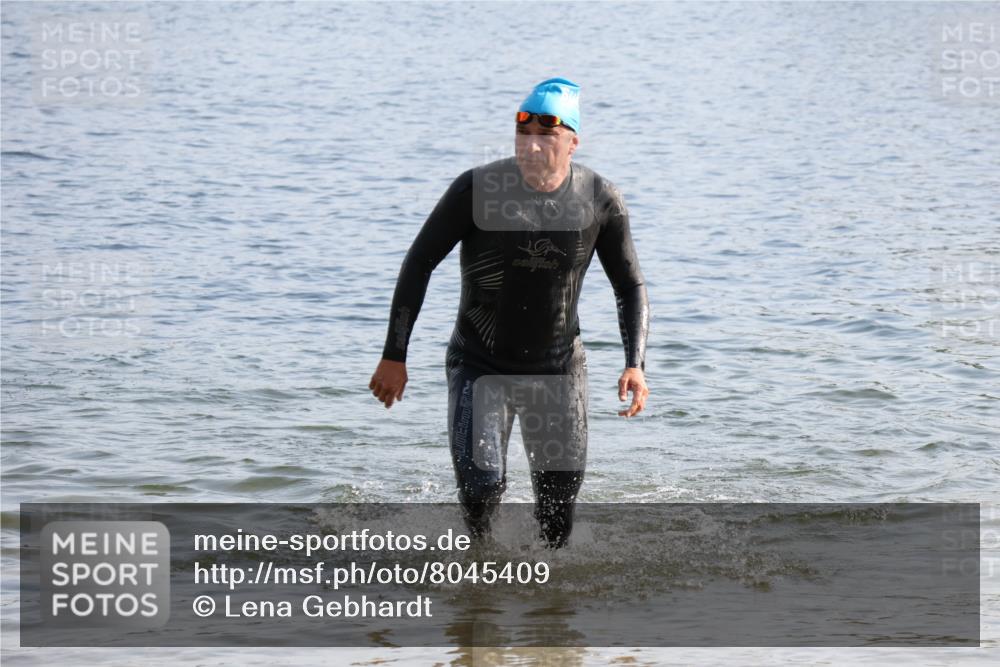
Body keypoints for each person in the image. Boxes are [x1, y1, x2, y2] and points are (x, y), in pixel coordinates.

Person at [369, 77, 649, 548]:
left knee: (557, 514)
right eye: (523, 134)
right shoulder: (477, 189)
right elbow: (419, 262)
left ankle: (548, 590)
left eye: (547, 136)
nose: (532, 146)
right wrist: (394, 355)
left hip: (558, 369)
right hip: (480, 364)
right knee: (482, 489)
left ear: (573, 143)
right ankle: (480, 575)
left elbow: (630, 285)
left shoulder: (600, 199)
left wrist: (635, 364)